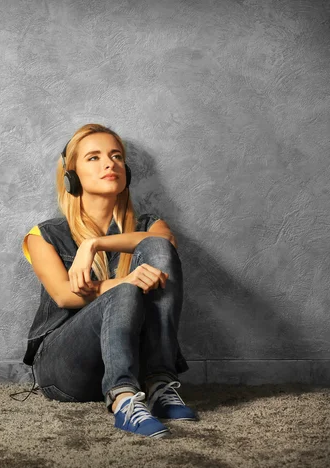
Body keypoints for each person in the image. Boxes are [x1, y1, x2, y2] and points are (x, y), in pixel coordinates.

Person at [20, 123, 197, 438]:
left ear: (125, 170)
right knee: (125, 293)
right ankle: (123, 401)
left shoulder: (151, 226)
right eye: (94, 157)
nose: (109, 163)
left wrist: (95, 244)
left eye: (116, 156)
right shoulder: (44, 235)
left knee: (156, 247)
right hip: (65, 369)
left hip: (133, 361)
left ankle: (158, 385)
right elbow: (65, 296)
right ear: (71, 176)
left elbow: (164, 248)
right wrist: (125, 284)